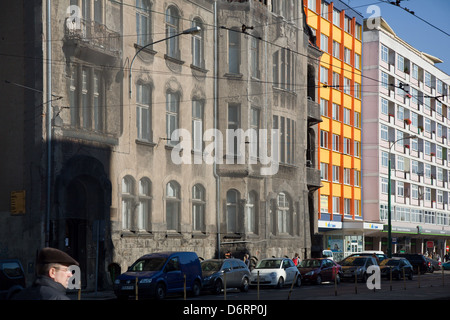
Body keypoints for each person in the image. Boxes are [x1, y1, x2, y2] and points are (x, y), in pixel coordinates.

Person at [11, 247, 79, 300]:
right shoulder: (59, 298)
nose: (70, 274)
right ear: (52, 272)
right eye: (66, 270)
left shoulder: (19, 296)